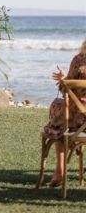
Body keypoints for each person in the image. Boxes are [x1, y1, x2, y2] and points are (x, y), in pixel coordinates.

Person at [43, 39, 86, 186]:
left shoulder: (79, 59)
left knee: (60, 122)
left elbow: (66, 90)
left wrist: (63, 81)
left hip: (78, 120)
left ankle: (59, 172)